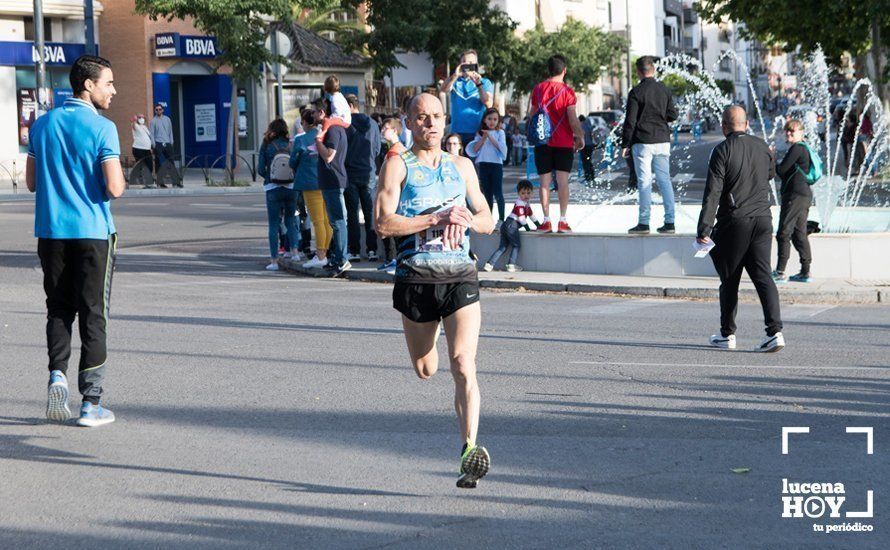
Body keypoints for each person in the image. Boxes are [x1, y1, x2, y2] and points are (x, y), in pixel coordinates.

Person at [374, 93, 495, 488]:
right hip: (417, 279)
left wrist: (465, 217)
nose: (431, 124)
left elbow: (487, 219)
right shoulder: (397, 166)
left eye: (437, 117)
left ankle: (469, 450)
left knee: (463, 364)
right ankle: (434, 332)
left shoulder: (462, 166)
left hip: (460, 275)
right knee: (427, 370)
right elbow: (383, 223)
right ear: (409, 123)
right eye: (422, 118)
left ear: (445, 120)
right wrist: (434, 218)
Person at [26, 54, 126, 427]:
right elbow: (114, 187)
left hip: (51, 233)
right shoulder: (103, 128)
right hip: (93, 234)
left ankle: (57, 375)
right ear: (88, 85)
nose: (113, 90)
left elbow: (33, 182)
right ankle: (91, 403)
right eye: (109, 83)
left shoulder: (42, 125)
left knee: (58, 308)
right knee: (93, 315)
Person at [697, 106, 784, 353]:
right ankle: (775, 332)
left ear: (724, 126)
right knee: (763, 275)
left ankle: (727, 333)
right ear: (746, 124)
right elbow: (770, 175)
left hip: (735, 221)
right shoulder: (763, 147)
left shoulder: (722, 150)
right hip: (763, 219)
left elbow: (712, 192)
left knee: (730, 278)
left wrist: (704, 228)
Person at [622, 56, 678, 234]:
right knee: (665, 180)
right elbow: (673, 115)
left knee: (644, 182)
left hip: (643, 141)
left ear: (638, 72)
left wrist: (625, 143)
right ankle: (670, 222)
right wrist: (661, 117)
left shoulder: (636, 92)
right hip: (662, 139)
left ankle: (644, 223)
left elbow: (630, 120)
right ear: (653, 69)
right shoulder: (664, 89)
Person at [528, 54, 585, 233]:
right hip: (563, 142)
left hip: (542, 141)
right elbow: (572, 118)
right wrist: (580, 135)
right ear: (564, 70)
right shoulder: (567, 92)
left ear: (548, 70)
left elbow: (532, 115)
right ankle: (562, 221)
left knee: (544, 182)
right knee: (562, 181)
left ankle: (546, 221)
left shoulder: (538, 89)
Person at [258, 119, 301, 271]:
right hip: (291, 187)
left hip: (272, 188)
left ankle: (274, 261)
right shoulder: (292, 144)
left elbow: (260, 170)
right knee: (290, 220)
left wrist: (271, 177)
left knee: (274, 224)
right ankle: (295, 252)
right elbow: (296, 164)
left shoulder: (267, 145)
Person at [773, 119, 814, 283]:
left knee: (783, 232)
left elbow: (782, 171)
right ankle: (805, 272)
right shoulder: (804, 149)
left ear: (801, 133)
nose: (789, 133)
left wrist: (773, 158)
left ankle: (780, 272)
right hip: (804, 195)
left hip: (794, 196)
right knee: (799, 234)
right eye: (787, 131)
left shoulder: (797, 148)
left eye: (793, 131)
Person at [291, 109, 332, 269]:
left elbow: (292, 162)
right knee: (327, 220)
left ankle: (320, 255)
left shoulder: (301, 140)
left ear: (306, 123)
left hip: (309, 182)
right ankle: (326, 252)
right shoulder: (326, 135)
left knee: (317, 221)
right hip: (326, 181)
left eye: (302, 122)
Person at [344, 94, 382, 262]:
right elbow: (377, 149)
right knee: (370, 212)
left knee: (352, 214)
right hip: (369, 172)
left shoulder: (345, 125)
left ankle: (354, 251)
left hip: (350, 173)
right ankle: (372, 249)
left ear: (350, 106)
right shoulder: (373, 124)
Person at [316, 110, 351, 276]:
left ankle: (342, 259)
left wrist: (317, 141)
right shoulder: (336, 129)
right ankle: (337, 258)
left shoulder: (332, 130)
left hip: (332, 181)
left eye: (316, 111)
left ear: (322, 112)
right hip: (333, 180)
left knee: (338, 222)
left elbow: (329, 156)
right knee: (336, 222)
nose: (314, 115)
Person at [440, 49, 494, 148]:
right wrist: (455, 75)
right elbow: (443, 89)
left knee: (472, 163)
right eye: (464, 62)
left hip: (477, 133)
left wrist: (479, 85)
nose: (467, 65)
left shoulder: (485, 82)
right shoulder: (455, 81)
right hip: (456, 133)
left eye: (470, 63)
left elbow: (488, 103)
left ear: (476, 64)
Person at [483, 179, 540, 272]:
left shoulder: (525, 204)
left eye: (528, 193)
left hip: (506, 225)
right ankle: (511, 265)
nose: (526, 195)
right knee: (516, 245)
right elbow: (521, 218)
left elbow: (531, 215)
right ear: (518, 193)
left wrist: (539, 225)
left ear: (532, 193)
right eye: (523, 193)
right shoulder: (520, 204)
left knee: (502, 247)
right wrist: (528, 229)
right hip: (512, 225)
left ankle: (489, 264)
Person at [375, 117, 409, 274]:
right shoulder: (390, 149)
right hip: (389, 193)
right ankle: (391, 259)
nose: (382, 131)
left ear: (395, 130)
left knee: (392, 226)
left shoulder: (397, 150)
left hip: (395, 195)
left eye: (385, 128)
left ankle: (396, 260)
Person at [466, 108, 508, 222]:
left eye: (495, 119)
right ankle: (488, 219)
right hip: (484, 165)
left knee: (498, 192)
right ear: (484, 120)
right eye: (489, 119)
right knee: (487, 193)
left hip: (496, 165)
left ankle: (501, 219)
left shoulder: (500, 133)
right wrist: (483, 138)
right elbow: (474, 149)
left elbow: (502, 148)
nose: (492, 122)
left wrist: (490, 136)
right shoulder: (480, 133)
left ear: (498, 121)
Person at [149, 102, 178, 187]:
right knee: (158, 163)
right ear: (155, 111)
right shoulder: (153, 121)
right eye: (157, 110)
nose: (158, 111)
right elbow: (152, 134)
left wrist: (171, 141)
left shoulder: (167, 119)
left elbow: (170, 131)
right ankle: (160, 182)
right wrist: (154, 145)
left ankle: (175, 182)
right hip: (158, 144)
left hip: (168, 143)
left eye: (160, 109)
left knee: (171, 162)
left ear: (163, 110)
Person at [130, 113, 153, 187]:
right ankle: (141, 182)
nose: (141, 119)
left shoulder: (145, 127)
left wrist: (150, 147)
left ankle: (148, 181)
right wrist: (134, 120)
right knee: (141, 166)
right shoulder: (135, 126)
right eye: (139, 117)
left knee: (150, 165)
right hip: (138, 149)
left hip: (147, 150)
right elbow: (133, 124)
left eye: (143, 117)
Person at [579, 114, 596, 181]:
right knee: (589, 160)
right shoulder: (588, 126)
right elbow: (592, 134)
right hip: (590, 145)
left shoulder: (580, 126)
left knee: (585, 162)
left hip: (584, 146)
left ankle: (587, 176)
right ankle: (592, 175)